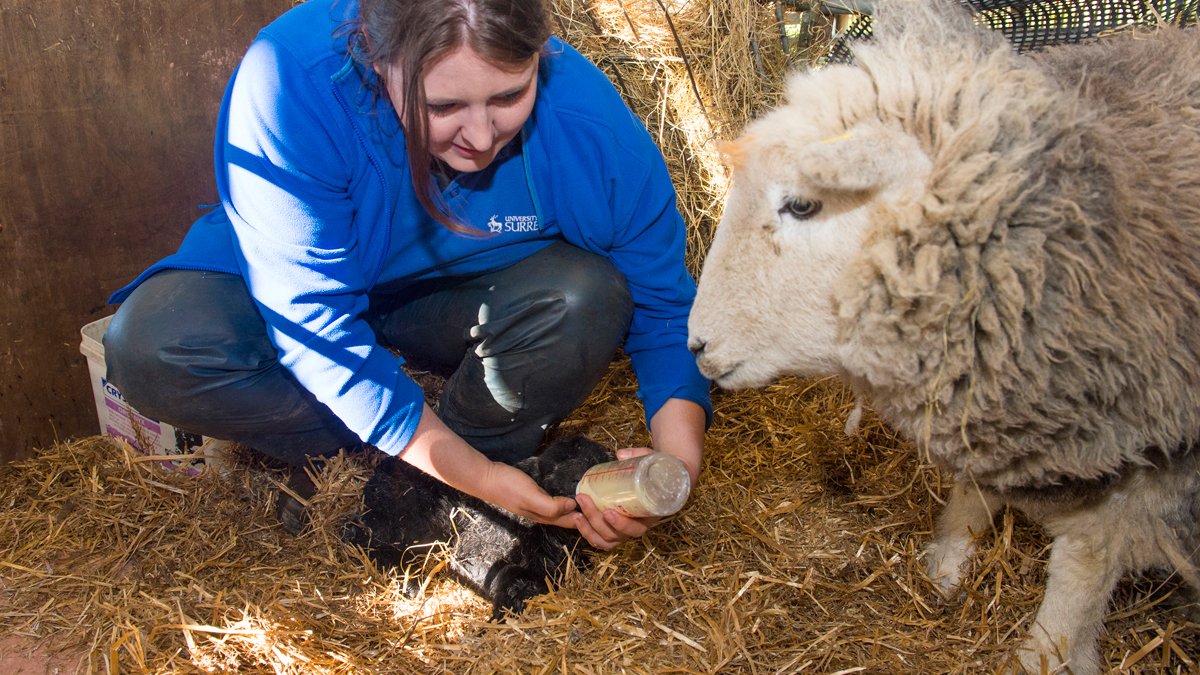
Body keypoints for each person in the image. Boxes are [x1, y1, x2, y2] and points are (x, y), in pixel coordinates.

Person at [103, 0, 710, 552]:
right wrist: (479, 477)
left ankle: (429, 461)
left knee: (587, 294)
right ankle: (393, 463)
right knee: (155, 347)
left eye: (509, 96)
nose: (480, 137)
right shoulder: (292, 79)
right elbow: (314, 322)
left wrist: (673, 471)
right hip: (300, 281)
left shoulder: (588, 121)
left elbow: (663, 309)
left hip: (452, 300)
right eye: (443, 106)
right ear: (375, 53)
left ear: (539, 55)